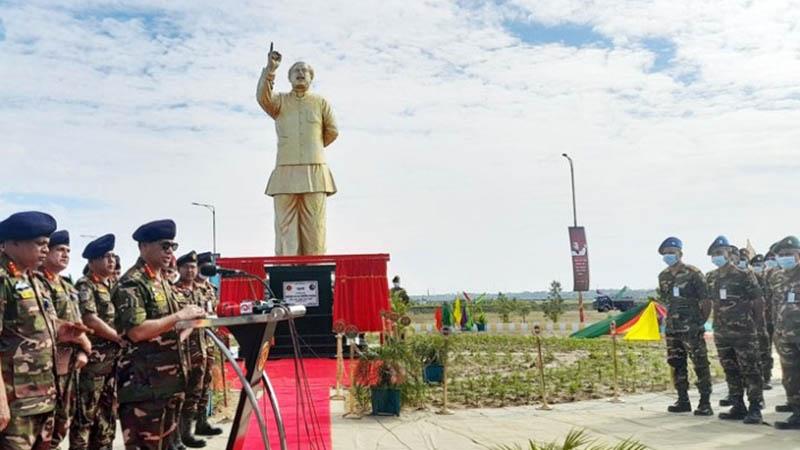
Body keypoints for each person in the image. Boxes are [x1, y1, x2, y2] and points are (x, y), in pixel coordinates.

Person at [0, 211, 92, 450]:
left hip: (43, 396)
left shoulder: (31, 279)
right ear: (13, 242)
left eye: (46, 244)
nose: (45, 249)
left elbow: (29, 326)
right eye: (39, 243)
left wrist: (60, 330)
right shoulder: (3, 280)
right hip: (15, 403)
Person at [112, 220, 205, 450]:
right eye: (164, 246)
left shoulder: (160, 280)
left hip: (168, 384)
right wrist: (180, 316)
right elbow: (137, 331)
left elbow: (168, 329)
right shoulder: (132, 283)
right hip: (143, 387)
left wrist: (191, 320)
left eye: (173, 246)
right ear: (144, 246)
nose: (170, 252)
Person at [256, 44, 339, 256]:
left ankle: (315, 266)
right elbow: (263, 98)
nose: (300, 73)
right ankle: (288, 266)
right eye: (296, 71)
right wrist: (270, 69)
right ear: (289, 78)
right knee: (285, 226)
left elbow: (332, 131)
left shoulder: (320, 102)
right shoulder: (280, 101)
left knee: (315, 227)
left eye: (304, 71)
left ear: (311, 77)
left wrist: (313, 147)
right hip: (285, 170)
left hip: (315, 171)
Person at [70, 234, 123, 450]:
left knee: (107, 415)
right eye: (105, 256)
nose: (111, 260)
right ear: (92, 262)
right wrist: (118, 337)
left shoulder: (113, 285)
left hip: (113, 361)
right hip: (93, 362)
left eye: (113, 256)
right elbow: (89, 318)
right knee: (85, 416)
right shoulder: (86, 285)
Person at [705, 235, 765, 424]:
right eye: (713, 254)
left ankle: (755, 407)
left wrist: (755, 325)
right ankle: (738, 405)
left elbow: (758, 301)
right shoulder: (711, 277)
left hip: (744, 331)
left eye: (719, 252)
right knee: (730, 369)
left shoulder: (744, 275)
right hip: (722, 332)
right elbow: (711, 302)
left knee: (751, 369)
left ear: (729, 253)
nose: (716, 257)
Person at [37, 231, 88, 450]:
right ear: (47, 251)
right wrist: (84, 341)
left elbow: (79, 323)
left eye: (68, 251)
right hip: (48, 365)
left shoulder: (68, 287)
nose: (65, 254)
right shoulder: (38, 283)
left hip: (70, 365)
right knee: (44, 425)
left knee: (64, 420)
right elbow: (45, 322)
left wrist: (83, 350)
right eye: (60, 250)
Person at [656, 237, 713, 415]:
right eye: (665, 253)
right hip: (672, 328)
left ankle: (705, 403)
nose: (668, 256)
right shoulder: (663, 276)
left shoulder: (693, 273)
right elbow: (666, 301)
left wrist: (700, 322)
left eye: (671, 252)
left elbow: (706, 300)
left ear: (680, 253)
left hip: (692, 328)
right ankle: (682, 400)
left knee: (700, 363)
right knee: (676, 363)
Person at [173, 251, 207, 448]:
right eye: (186, 267)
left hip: (200, 350)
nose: (190, 270)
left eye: (193, 267)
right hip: (180, 351)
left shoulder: (200, 291)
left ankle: (187, 434)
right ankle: (175, 438)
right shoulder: (173, 291)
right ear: (179, 269)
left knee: (194, 394)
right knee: (178, 396)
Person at [769, 236, 800, 429]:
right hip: (785, 334)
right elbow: (775, 304)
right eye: (781, 255)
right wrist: (776, 330)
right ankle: (797, 413)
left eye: (789, 254)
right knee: (790, 376)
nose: (784, 258)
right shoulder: (777, 277)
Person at [193, 252, 222, 437]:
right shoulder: (186, 288)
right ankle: (185, 429)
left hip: (208, 341)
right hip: (192, 343)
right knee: (192, 386)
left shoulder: (212, 289)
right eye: (203, 266)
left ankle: (202, 422)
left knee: (206, 383)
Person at [751, 254, 774, 390]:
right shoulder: (749, 278)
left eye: (759, 265)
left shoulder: (767, 279)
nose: (757, 267)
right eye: (755, 265)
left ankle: (766, 377)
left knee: (765, 349)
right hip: (751, 321)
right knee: (754, 350)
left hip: (767, 320)